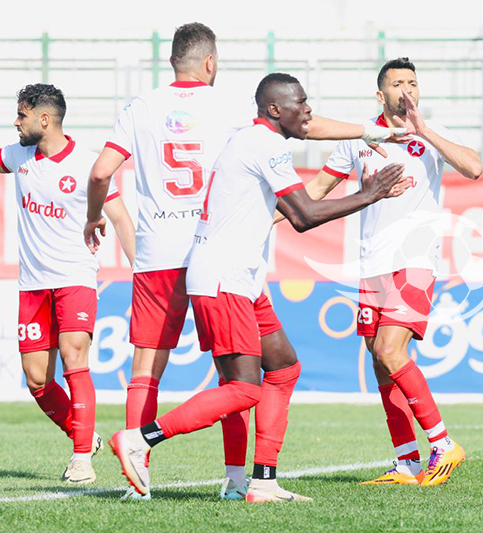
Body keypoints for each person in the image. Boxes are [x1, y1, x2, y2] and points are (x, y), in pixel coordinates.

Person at [84, 22, 407, 500]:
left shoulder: (146, 107)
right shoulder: (247, 124)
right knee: (240, 385)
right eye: (300, 104)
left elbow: (101, 172)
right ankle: (145, 443)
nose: (308, 111)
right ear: (212, 63)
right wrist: (369, 174)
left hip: (179, 256)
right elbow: (302, 209)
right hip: (222, 270)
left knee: (272, 368)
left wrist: (95, 218)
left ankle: (255, 481)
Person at [283, 57, 483, 486]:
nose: (406, 90)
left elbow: (474, 167)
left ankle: (444, 444)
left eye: (413, 82)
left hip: (414, 263)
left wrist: (425, 131)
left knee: (392, 352)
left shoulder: (431, 135)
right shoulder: (360, 139)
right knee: (379, 361)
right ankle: (407, 462)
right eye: (397, 83)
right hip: (371, 264)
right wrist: (266, 217)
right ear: (381, 94)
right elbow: (317, 189)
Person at [0, 83, 135, 484]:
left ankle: (81, 460)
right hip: (33, 285)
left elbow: (122, 219)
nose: (15, 122)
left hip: (75, 277)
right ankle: (84, 436)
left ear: (44, 119)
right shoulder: (17, 156)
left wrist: (141, 273)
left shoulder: (88, 165)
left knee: (75, 358)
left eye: (21, 114)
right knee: (38, 380)